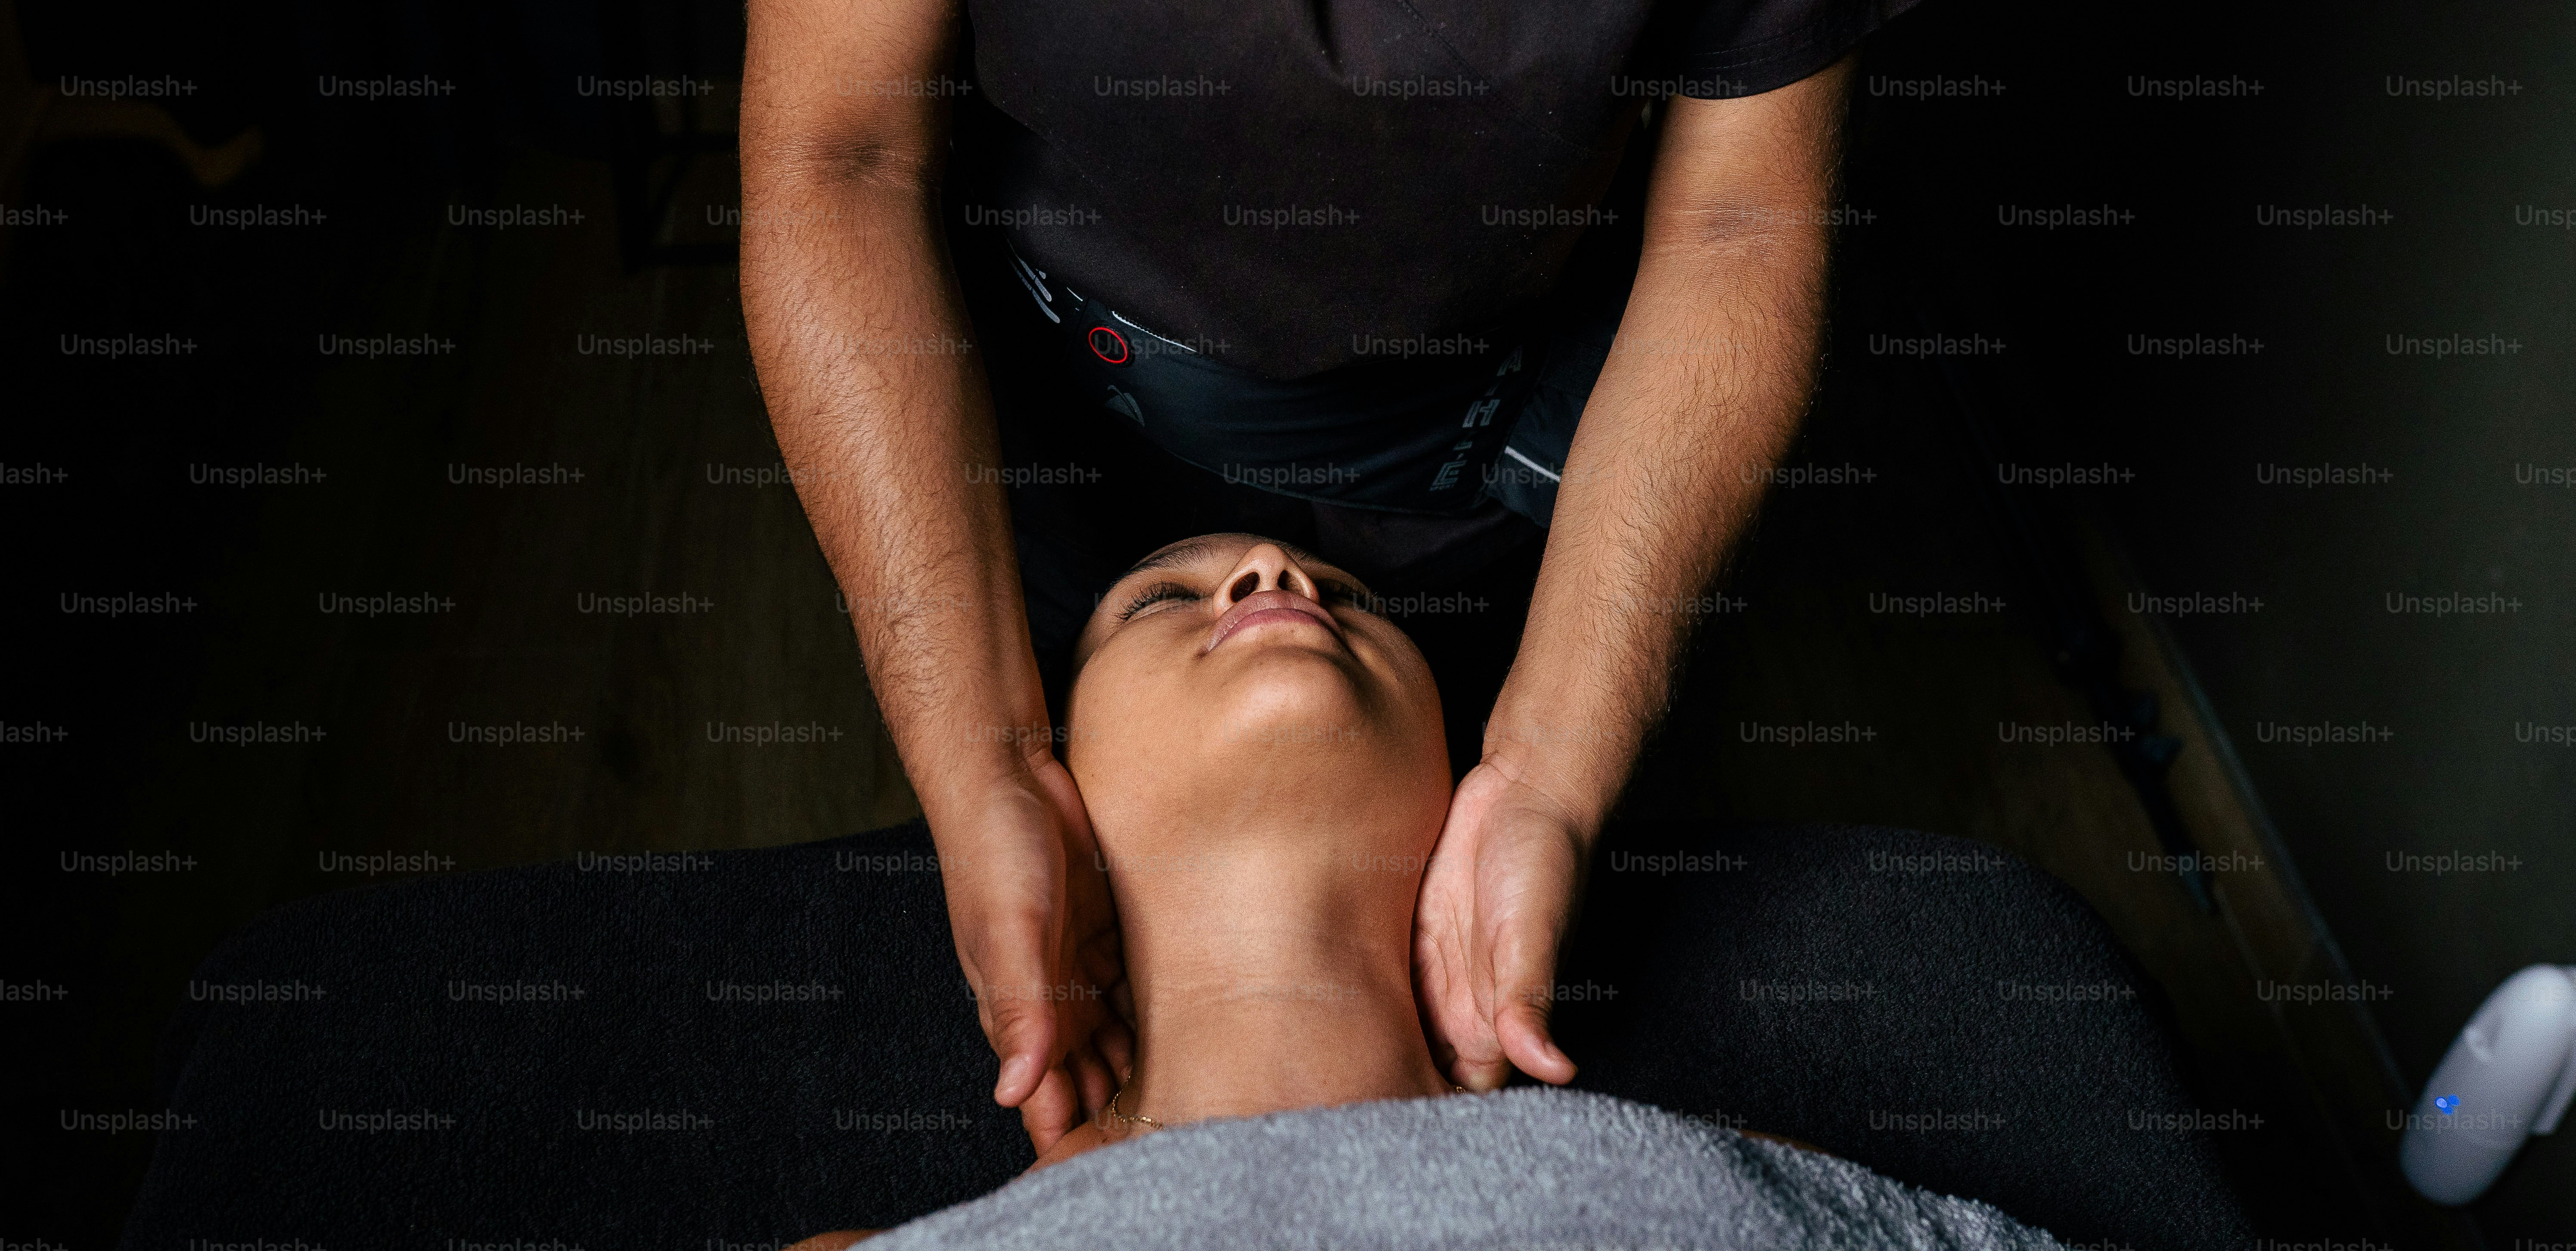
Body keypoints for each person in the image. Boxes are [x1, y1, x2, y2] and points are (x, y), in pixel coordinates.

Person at [633, 0, 1982, 1154]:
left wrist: (1548, 770)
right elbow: (839, 161)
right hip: (1049, 415)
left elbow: (1741, 231)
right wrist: (982, 759)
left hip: (1505, 463)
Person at [115, 534, 2257, 1251]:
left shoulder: (1725, 1177)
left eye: (1335, 595)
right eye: (1168, 600)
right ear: (1055, 826)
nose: (1272, 575)